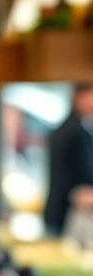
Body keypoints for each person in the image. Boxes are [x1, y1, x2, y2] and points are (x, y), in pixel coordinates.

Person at [43, 83, 93, 237]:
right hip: (67, 212)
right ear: (80, 97)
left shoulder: (76, 127)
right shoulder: (72, 131)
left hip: (62, 210)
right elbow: (80, 172)